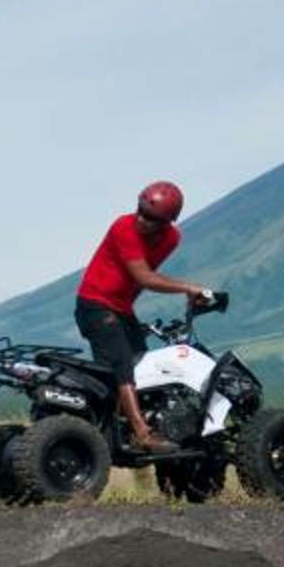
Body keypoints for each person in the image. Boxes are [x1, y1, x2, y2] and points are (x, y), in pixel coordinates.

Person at [72, 180, 212, 451]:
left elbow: (138, 280)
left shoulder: (171, 238)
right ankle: (142, 433)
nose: (141, 219)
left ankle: (121, 430)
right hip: (94, 304)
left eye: (150, 217)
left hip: (121, 310)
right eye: (140, 210)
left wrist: (128, 314)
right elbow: (145, 277)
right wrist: (188, 288)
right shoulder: (123, 227)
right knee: (122, 366)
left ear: (167, 222)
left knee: (144, 366)